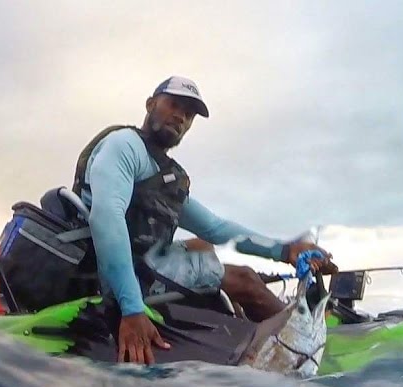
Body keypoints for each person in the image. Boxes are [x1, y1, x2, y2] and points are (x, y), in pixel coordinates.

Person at [74, 75, 337, 364]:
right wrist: (131, 309)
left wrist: (285, 249)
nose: (180, 117)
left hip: (144, 264)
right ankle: (302, 345)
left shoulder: (161, 172)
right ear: (151, 104)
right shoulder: (124, 146)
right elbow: (106, 218)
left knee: (202, 245)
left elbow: (215, 228)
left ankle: (246, 330)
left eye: (188, 115)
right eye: (173, 104)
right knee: (244, 279)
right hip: (115, 272)